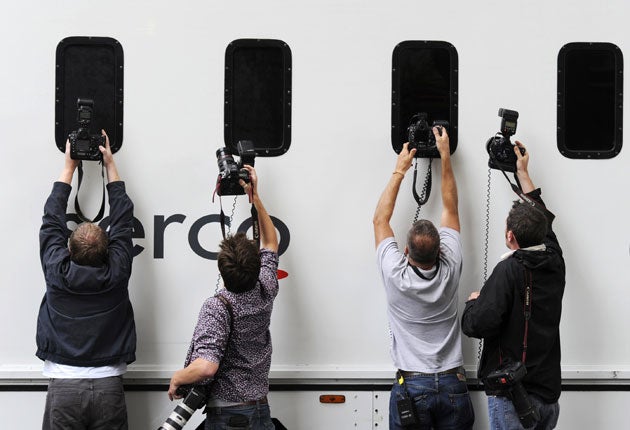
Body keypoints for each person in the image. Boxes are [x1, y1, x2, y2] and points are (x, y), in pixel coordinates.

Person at [373, 127, 474, 429]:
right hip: (453, 382)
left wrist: (400, 170)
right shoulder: (451, 265)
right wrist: (445, 155)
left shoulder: (395, 274)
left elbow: (380, 219)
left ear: (405, 251)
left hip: (412, 384)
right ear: (441, 249)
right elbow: (450, 207)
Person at [461, 141, 565, 430]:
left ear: (509, 237)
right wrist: (522, 172)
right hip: (547, 398)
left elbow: (477, 325)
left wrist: (474, 301)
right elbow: (545, 221)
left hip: (514, 399)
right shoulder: (555, 261)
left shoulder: (508, 270)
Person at [167, 164, 279, 430]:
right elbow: (271, 243)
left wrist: (177, 377)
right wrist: (256, 196)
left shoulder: (217, 307)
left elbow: (206, 367)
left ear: (222, 270)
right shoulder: (266, 287)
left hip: (230, 416)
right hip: (260, 408)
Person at [37, 131, 137, 430]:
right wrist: (110, 166)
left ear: (69, 249)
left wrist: (69, 168)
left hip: (64, 387)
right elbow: (123, 219)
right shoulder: (117, 271)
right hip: (109, 387)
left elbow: (51, 219)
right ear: (108, 251)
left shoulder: (57, 271)